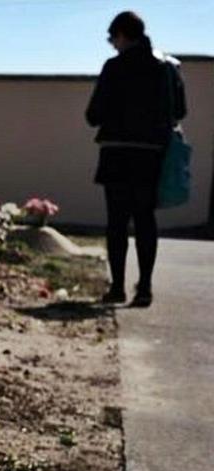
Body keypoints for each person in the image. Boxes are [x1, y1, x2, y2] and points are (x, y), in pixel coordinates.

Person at [85, 10, 186, 307]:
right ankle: (145, 288)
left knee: (116, 223)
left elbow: (94, 115)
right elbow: (179, 112)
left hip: (116, 152)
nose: (112, 45)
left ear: (122, 35)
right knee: (145, 220)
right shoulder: (166, 69)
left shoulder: (114, 67)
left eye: (112, 39)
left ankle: (117, 287)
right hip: (151, 154)